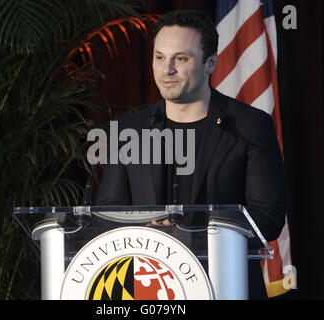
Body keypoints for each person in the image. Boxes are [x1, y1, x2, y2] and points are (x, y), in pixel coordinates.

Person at [95, 9, 286, 300]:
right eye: (159, 57)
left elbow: (268, 216)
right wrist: (147, 231)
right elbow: (108, 213)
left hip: (226, 285)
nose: (166, 69)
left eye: (180, 59)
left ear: (210, 63)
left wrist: (193, 228)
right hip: (149, 288)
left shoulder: (249, 125)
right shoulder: (129, 129)